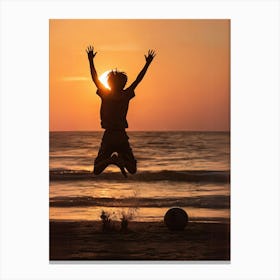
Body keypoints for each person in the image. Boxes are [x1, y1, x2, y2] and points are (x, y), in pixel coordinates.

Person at [86, 45, 155, 177]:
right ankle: (120, 160)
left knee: (96, 170)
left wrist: (90, 60)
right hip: (121, 136)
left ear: (109, 83)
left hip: (109, 135)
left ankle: (111, 160)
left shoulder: (106, 94)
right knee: (133, 169)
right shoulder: (126, 94)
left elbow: (95, 78)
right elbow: (138, 80)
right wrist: (147, 64)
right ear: (123, 83)